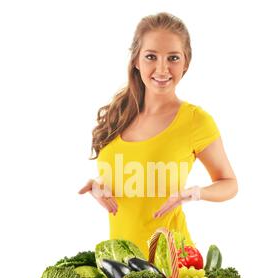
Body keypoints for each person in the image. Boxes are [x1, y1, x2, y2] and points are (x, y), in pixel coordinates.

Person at [79, 12, 238, 258]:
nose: (162, 69)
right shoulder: (118, 115)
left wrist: (195, 193)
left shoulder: (196, 121)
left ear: (185, 63)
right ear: (136, 61)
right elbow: (131, 180)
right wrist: (100, 187)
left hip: (173, 266)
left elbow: (229, 183)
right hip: (121, 266)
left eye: (173, 58)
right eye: (151, 56)